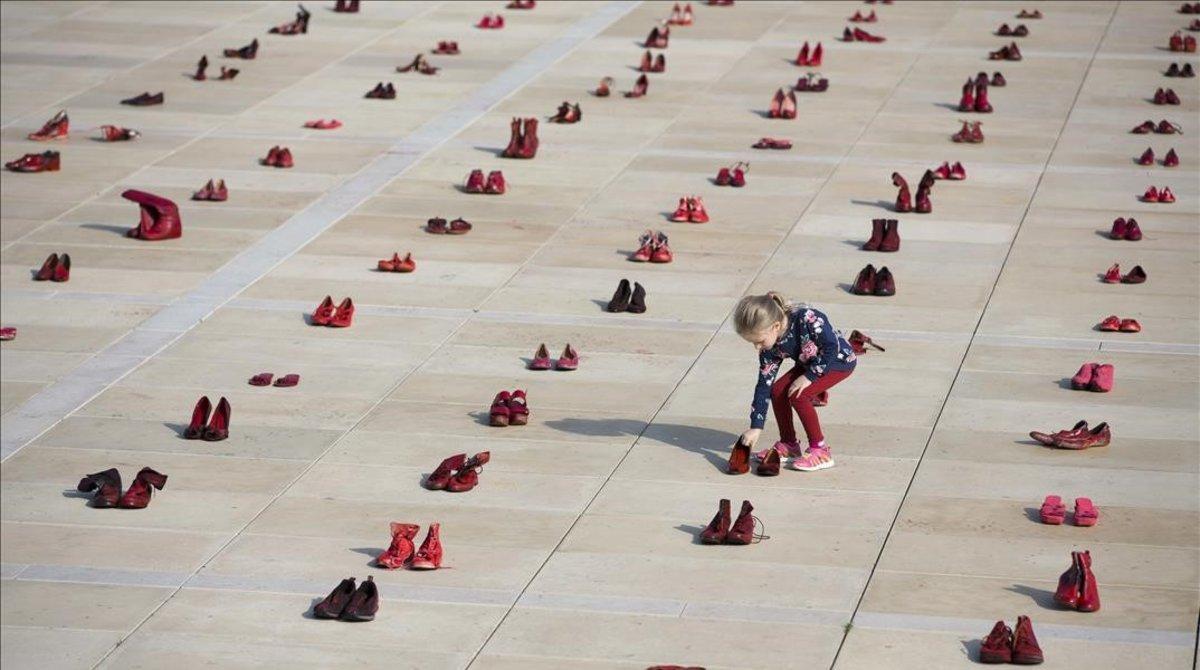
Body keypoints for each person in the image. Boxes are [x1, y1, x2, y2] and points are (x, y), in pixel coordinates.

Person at [734, 292, 856, 471]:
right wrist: (756, 426)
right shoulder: (770, 344)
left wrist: (809, 377)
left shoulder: (807, 319)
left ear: (775, 326)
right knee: (777, 390)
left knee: (800, 394)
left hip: (838, 361)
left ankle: (820, 450)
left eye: (759, 341)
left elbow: (831, 347)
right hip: (810, 362)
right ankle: (789, 444)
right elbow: (763, 385)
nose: (757, 347)